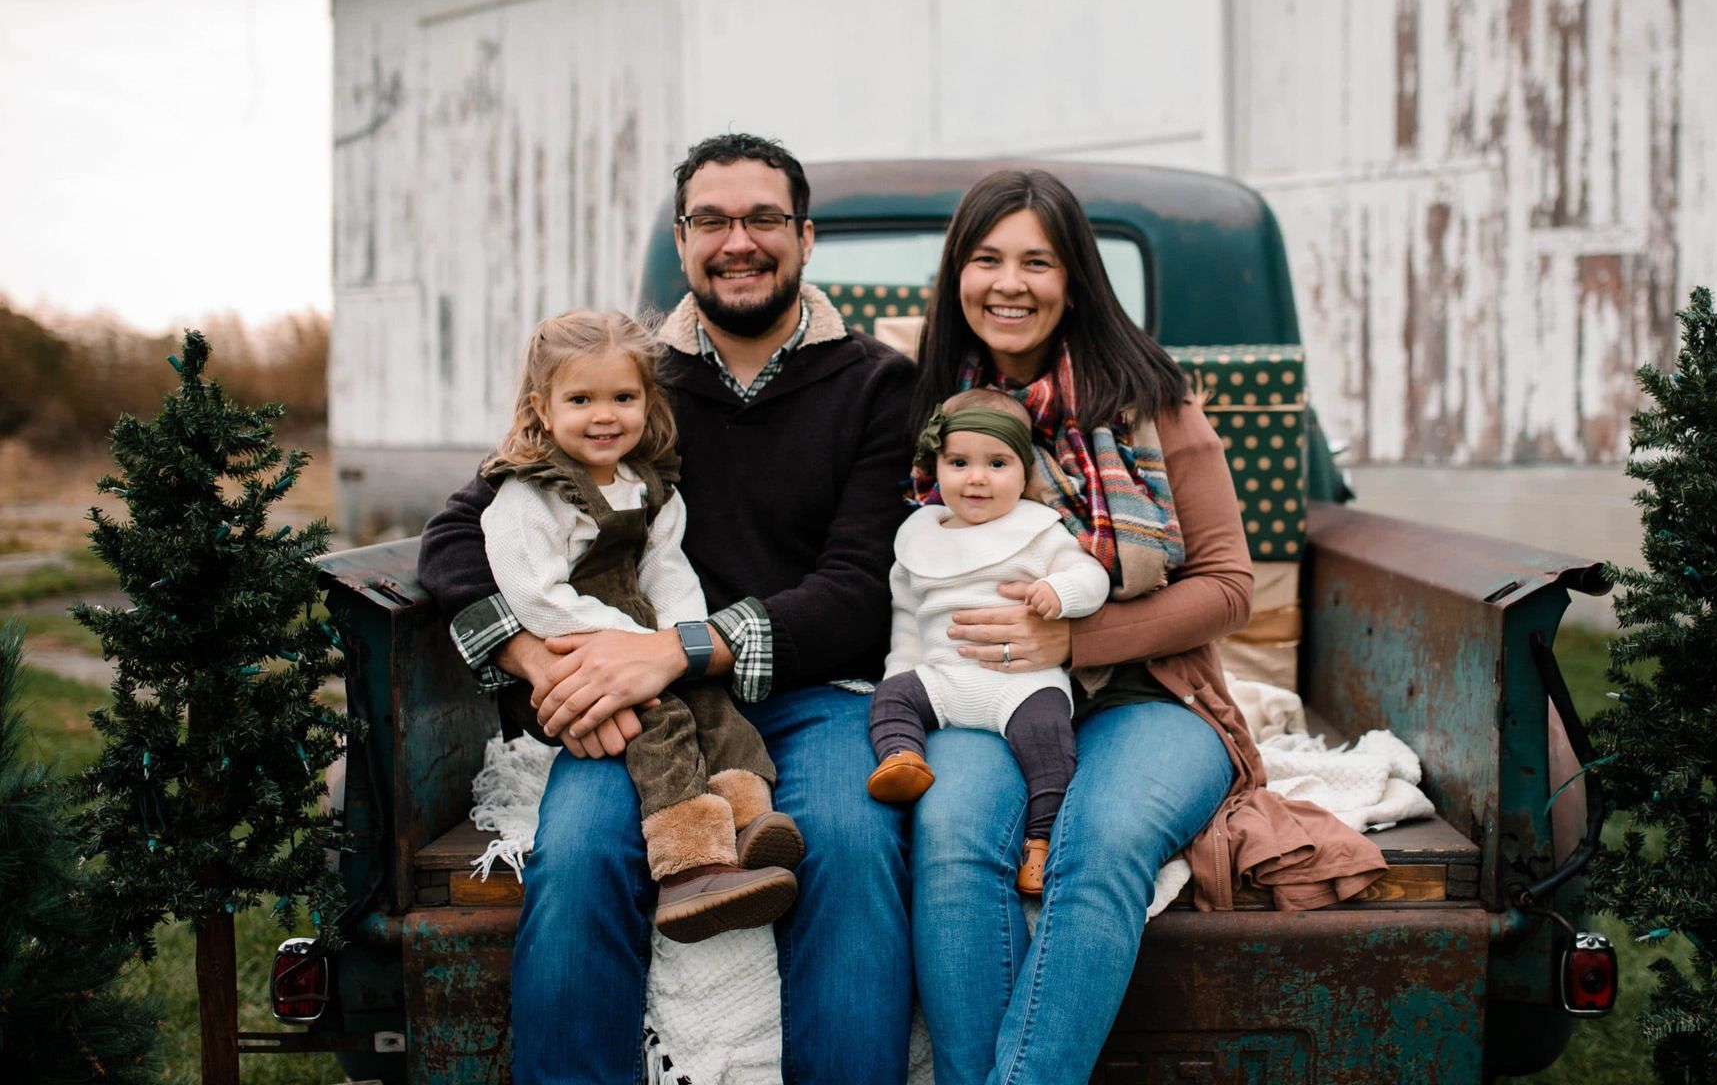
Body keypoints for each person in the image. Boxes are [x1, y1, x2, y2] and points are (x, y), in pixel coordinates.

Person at [416, 134, 916, 1085]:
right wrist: (534, 660)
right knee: (576, 859)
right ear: (682, 242)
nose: (739, 240)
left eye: (763, 218)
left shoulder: (874, 384)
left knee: (851, 853)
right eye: (712, 221)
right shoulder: (629, 382)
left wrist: (675, 651)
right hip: (638, 704)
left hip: (814, 690)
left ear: (804, 237)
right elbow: (460, 529)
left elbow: (858, 592)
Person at [906, 168, 1386, 1085]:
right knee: (956, 838)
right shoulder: (928, 407)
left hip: (1150, 697)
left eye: (1037, 262)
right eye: (987, 258)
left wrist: (1074, 643)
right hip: (981, 698)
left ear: (1076, 278)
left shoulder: (1149, 400)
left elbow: (1229, 586)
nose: (1010, 283)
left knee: (1103, 840)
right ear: (956, 276)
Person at [479, 307, 802, 943]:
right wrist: (627, 649)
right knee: (663, 723)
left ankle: (748, 821)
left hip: (647, 645)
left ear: (647, 401)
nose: (606, 415)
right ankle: (689, 868)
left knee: (713, 702)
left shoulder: (648, 488)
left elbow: (667, 571)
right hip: (578, 647)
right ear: (542, 408)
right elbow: (535, 594)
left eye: (623, 397)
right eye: (581, 399)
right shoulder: (528, 496)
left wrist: (677, 643)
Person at [865, 388, 1110, 896]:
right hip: (942, 677)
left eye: (997, 463)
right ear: (937, 467)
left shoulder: (1039, 532)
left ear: (1025, 474)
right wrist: (901, 670)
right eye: (959, 462)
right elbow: (907, 618)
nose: (977, 478)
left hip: (1018, 682)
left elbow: (1091, 576)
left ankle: (1039, 844)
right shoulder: (918, 536)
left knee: (1049, 742)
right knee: (890, 699)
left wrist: (1058, 592)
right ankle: (902, 760)